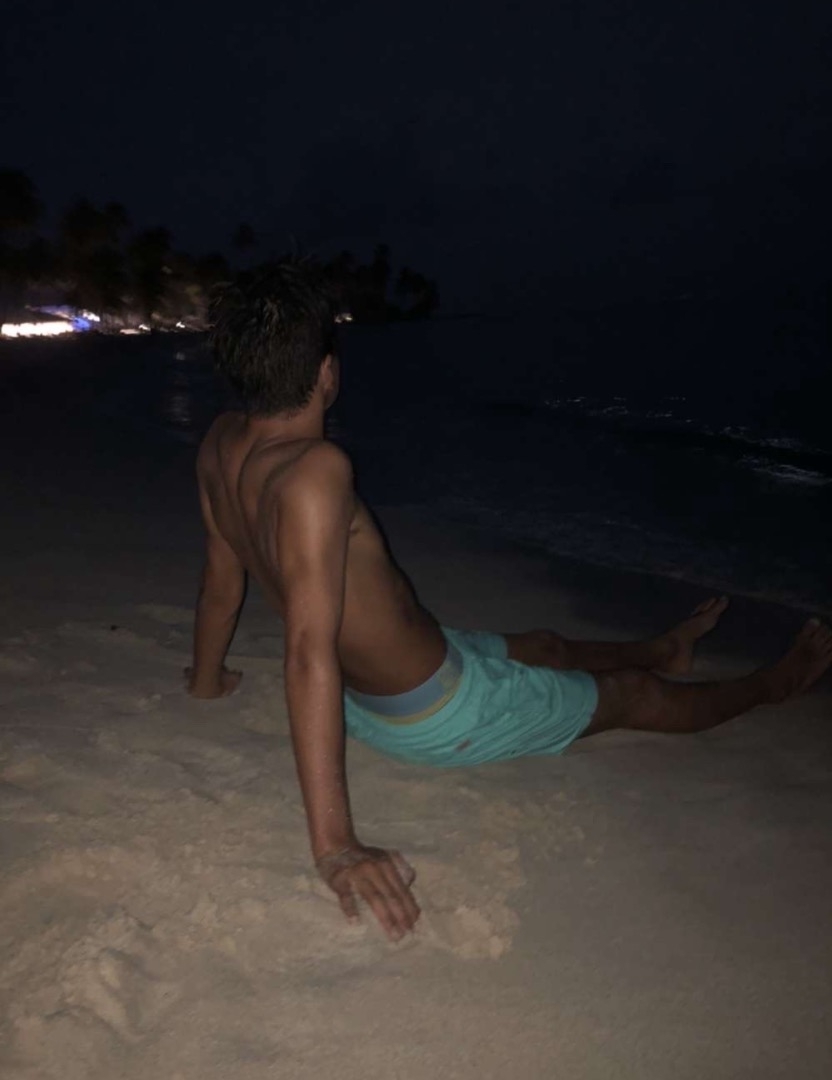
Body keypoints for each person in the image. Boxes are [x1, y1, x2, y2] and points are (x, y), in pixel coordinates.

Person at [188, 259, 832, 943]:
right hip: (435, 711)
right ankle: (773, 685)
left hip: (377, 689)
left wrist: (207, 680)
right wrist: (335, 845)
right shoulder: (316, 470)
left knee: (544, 646)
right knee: (635, 696)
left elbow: (223, 581)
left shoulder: (222, 444)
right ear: (327, 373)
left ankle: (664, 647)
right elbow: (306, 650)